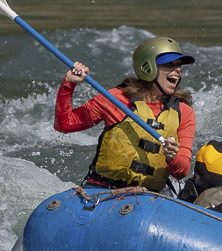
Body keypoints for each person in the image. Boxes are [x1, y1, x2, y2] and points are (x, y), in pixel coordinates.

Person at [54, 36, 197, 192]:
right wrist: (69, 84)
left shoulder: (184, 113)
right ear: (148, 67)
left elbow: (181, 172)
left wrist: (172, 157)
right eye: (169, 64)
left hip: (148, 196)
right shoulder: (115, 99)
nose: (177, 70)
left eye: (179, 65)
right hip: (101, 189)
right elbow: (64, 124)